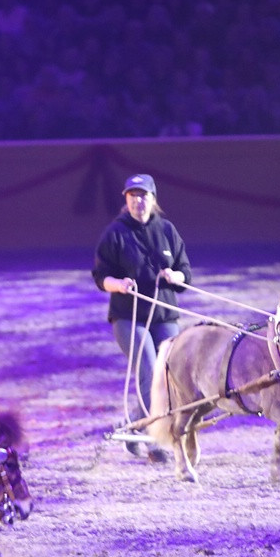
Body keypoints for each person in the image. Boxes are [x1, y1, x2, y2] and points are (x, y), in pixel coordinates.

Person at [91, 173, 193, 435]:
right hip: (129, 317)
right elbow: (101, 276)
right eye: (133, 196)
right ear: (126, 200)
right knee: (149, 365)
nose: (138, 201)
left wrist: (174, 276)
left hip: (164, 315)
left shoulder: (167, 230)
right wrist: (119, 285)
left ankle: (136, 422)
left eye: (143, 195)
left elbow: (185, 273)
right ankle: (154, 432)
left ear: (153, 199)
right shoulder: (116, 233)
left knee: (172, 367)